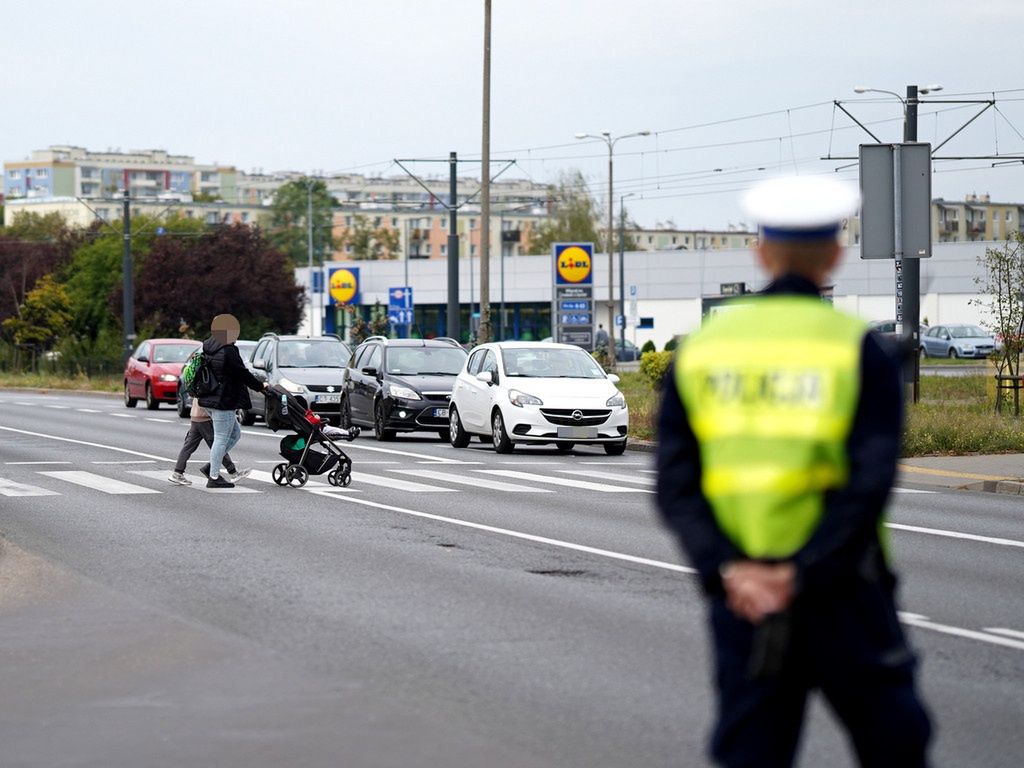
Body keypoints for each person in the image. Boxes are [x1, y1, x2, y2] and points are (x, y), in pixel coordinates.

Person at [656, 176, 931, 768]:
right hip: (844, 594)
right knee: (895, 743)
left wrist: (732, 568)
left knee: (752, 750)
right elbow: (870, 483)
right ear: (836, 254)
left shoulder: (703, 349)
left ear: (760, 251)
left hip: (744, 597)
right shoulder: (856, 349)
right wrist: (804, 572)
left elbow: (675, 485)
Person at [198, 314, 268, 489]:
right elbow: (241, 373)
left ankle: (211, 466)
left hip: (209, 398)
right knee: (221, 438)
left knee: (235, 434)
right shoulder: (228, 350)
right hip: (224, 399)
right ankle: (213, 477)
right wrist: (260, 386)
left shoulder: (208, 347)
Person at [168, 398, 250, 486]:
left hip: (195, 416)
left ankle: (177, 473)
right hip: (205, 417)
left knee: (188, 447)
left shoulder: (196, 384)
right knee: (218, 445)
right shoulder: (207, 383)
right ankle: (232, 472)